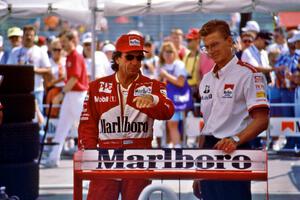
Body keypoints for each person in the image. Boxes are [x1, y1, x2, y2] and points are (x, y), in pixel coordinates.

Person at [78, 33, 174, 200]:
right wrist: (91, 156)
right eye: (129, 57)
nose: (135, 62)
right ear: (117, 59)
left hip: (140, 157)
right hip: (106, 157)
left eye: (139, 58)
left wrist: (154, 100)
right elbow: (87, 126)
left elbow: (168, 111)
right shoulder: (96, 87)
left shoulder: (153, 86)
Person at [194, 19, 269, 200]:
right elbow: (207, 123)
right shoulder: (206, 79)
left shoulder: (249, 74)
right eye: (207, 47)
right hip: (209, 150)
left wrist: (235, 140)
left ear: (229, 41)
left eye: (215, 44)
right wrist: (198, 170)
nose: (211, 51)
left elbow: (262, 120)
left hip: (237, 149)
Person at [42, 30, 89, 168]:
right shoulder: (69, 57)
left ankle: (92, 158)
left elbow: (74, 79)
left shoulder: (76, 56)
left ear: (72, 41)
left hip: (78, 95)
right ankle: (53, 158)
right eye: (61, 43)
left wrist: (61, 94)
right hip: (70, 95)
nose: (63, 45)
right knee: (62, 127)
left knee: (85, 127)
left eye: (64, 42)